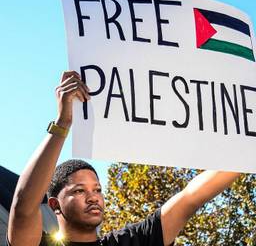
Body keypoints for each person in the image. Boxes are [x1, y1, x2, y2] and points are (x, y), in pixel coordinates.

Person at [7, 71, 240, 246]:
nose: (93, 198)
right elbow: (23, 205)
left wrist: (247, 149)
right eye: (79, 191)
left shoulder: (132, 241)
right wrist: (63, 123)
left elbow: (191, 197)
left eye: (97, 190)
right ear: (55, 204)